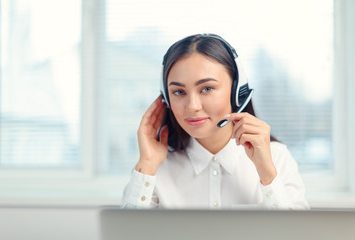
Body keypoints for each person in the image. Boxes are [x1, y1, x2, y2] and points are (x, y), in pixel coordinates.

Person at [122, 34, 309, 209]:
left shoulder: (276, 157)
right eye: (179, 92)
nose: (192, 106)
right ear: (166, 99)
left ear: (236, 90)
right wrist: (146, 165)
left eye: (207, 88)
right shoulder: (154, 167)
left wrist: (267, 173)